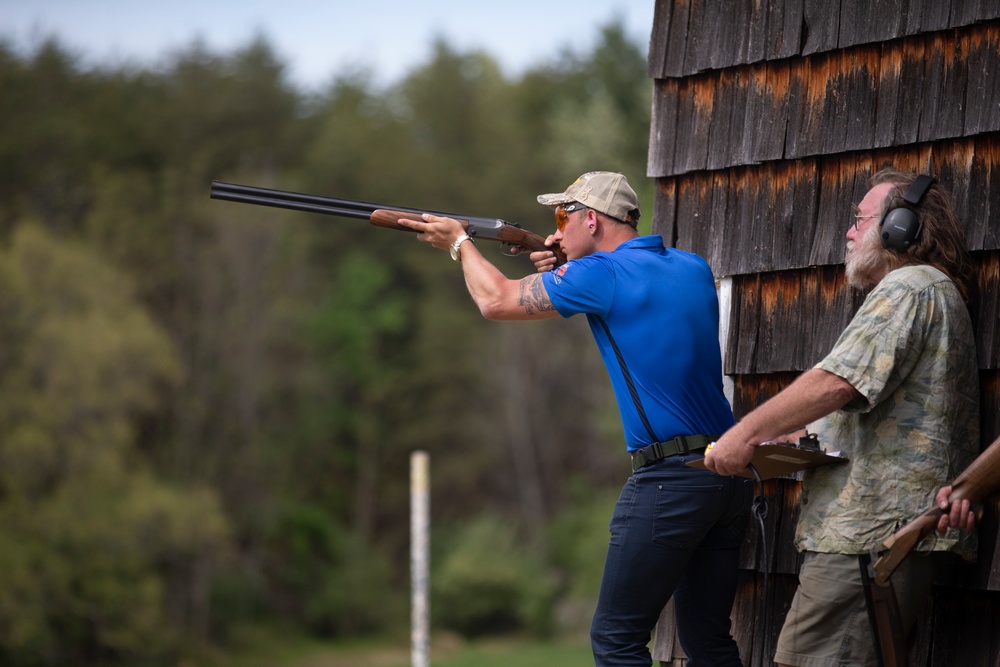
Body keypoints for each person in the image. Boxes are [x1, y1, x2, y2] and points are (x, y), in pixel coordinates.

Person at [397, 171, 751, 666]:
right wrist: (564, 263)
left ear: (592, 219)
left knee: (616, 641)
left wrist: (459, 243)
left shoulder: (600, 276)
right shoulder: (691, 267)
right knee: (710, 643)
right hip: (727, 476)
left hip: (670, 480)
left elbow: (495, 300)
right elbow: (634, 286)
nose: (555, 233)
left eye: (563, 219)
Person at [703, 167, 981, 667]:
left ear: (901, 226)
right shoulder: (930, 292)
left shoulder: (910, 287)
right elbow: (882, 406)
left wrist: (742, 434)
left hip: (867, 539)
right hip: (880, 538)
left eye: (859, 220)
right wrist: (801, 437)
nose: (849, 233)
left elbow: (838, 382)